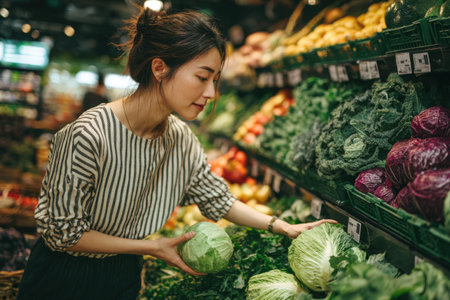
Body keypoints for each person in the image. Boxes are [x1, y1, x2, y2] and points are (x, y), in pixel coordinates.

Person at [17, 7, 336, 300]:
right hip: (62, 277)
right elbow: (63, 233)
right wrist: (152, 247)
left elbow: (219, 200)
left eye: (215, 80)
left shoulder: (179, 138)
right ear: (159, 68)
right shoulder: (89, 135)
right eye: (202, 77)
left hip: (124, 274)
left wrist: (281, 226)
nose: (210, 93)